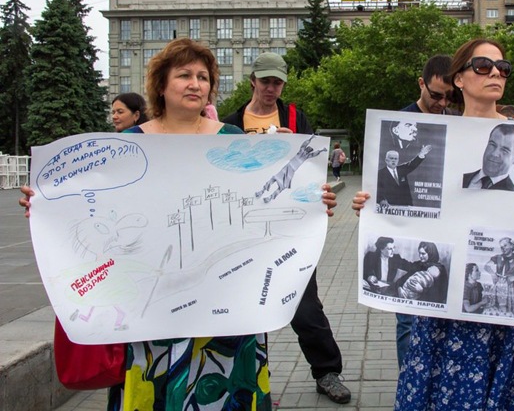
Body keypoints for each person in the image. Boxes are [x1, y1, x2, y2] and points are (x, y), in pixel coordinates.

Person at [19, 38, 338, 410]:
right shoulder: (130, 143)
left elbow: (269, 197)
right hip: (153, 310)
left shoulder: (232, 139)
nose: (195, 84)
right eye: (184, 75)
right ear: (161, 84)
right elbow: (94, 208)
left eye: (203, 77)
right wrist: (45, 204)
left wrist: (313, 200)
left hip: (226, 307)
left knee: (223, 389)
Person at [355, 39, 514, 410]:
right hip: (443, 306)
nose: (496, 73)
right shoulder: (438, 137)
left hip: (498, 308)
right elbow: (412, 207)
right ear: (460, 78)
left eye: (503, 67)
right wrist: (372, 209)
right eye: (484, 65)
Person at [221, 52, 350, 404]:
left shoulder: (295, 116)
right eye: (265, 81)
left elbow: (310, 169)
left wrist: (298, 152)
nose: (271, 88)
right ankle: (245, 378)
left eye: (277, 82)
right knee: (240, 308)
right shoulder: (230, 122)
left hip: (289, 231)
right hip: (246, 232)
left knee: (305, 305)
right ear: (253, 80)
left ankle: (327, 372)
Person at [395, 55, 453, 367]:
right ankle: (408, 381)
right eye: (435, 95)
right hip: (409, 225)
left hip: (444, 232)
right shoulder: (399, 123)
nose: (442, 103)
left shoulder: (458, 119)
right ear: (421, 84)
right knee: (407, 320)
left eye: (448, 97)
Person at [255, 135, 327, 203]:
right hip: (288, 167)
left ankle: (270, 197)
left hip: (291, 171)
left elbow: (314, 154)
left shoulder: (306, 156)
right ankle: (262, 191)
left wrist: (321, 150)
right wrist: (310, 139)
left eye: (310, 149)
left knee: (282, 186)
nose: (309, 149)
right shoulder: (301, 151)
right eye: (308, 148)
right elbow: (303, 145)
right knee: (274, 178)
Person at [483, 237, 514, 318]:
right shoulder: (498, 257)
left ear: (512, 246)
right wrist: (493, 274)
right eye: (501, 247)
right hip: (498, 286)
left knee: (511, 310)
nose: (503, 248)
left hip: (511, 287)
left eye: (505, 245)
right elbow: (486, 266)